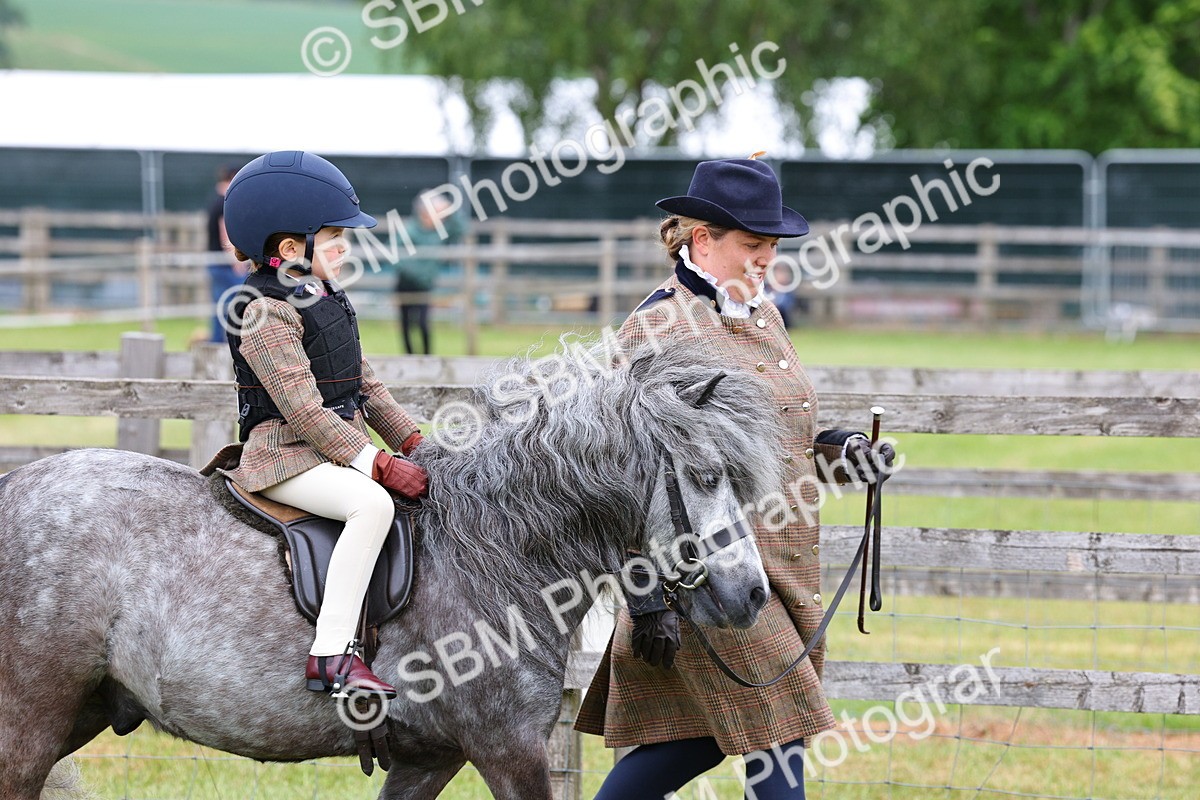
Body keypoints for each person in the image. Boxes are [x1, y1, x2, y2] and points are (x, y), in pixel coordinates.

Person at [575, 156, 893, 799]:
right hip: (709, 579)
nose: (765, 260)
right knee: (780, 739)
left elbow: (780, 436)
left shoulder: (764, 314)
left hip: (787, 568)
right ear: (701, 240)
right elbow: (624, 471)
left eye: (771, 247)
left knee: (698, 742)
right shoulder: (657, 328)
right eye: (751, 245)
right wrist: (645, 598)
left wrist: (845, 451)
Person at [219, 150, 429, 697]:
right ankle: (331, 654)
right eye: (335, 237)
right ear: (290, 249)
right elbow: (305, 411)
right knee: (372, 503)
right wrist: (379, 464)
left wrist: (414, 443)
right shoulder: (264, 311)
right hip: (284, 456)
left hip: (330, 450)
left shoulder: (323, 298)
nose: (346, 247)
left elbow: (366, 388)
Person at [394, 191, 463, 355]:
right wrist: (418, 273)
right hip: (406, 283)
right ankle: (408, 356)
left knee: (423, 322)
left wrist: (450, 210)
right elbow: (397, 256)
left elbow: (461, 228)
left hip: (425, 285)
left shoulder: (439, 231)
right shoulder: (410, 230)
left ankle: (427, 356)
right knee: (406, 323)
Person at [204, 163, 250, 343]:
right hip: (226, 264)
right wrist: (236, 261)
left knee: (220, 307)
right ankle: (230, 345)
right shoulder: (225, 201)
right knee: (239, 304)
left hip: (216, 262)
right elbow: (226, 232)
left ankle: (216, 345)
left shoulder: (214, 199)